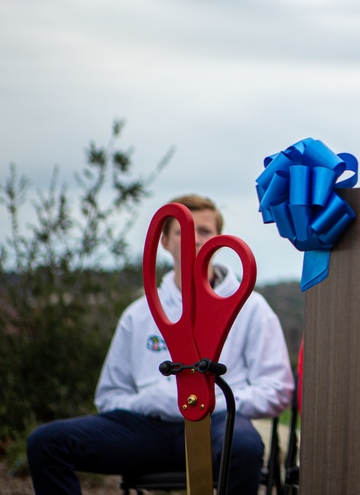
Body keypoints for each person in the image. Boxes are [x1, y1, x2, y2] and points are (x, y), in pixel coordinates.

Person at [27, 194, 294, 494]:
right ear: (165, 242)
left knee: (243, 445)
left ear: (219, 240)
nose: (195, 239)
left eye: (204, 231)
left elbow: (277, 390)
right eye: (183, 230)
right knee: (46, 442)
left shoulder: (251, 307)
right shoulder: (139, 314)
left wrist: (211, 403)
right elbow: (110, 396)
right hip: (149, 431)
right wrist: (151, 401)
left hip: (218, 425)